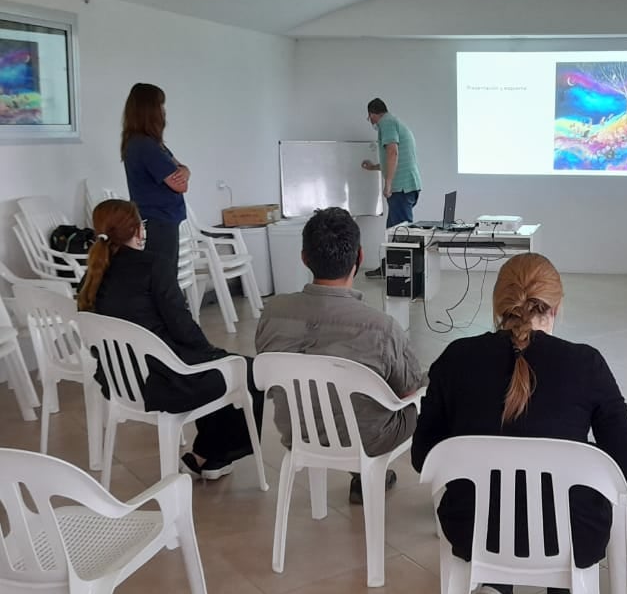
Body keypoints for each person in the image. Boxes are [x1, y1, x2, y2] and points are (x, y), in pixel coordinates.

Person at [411, 252, 627, 594]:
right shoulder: (587, 364)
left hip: (473, 530)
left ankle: (496, 580)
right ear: (557, 307)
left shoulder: (456, 359)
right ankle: (563, 587)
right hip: (572, 537)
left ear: (497, 304)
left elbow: (423, 458)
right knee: (568, 493)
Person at [78, 199, 261, 479]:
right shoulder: (153, 265)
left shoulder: (92, 273)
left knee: (216, 364)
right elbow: (181, 325)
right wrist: (212, 352)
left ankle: (204, 455)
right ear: (138, 230)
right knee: (245, 369)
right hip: (164, 383)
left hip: (120, 382)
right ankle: (217, 456)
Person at [254, 207, 426, 504]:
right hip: (367, 440)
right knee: (427, 392)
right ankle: (375, 477)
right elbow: (408, 389)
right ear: (359, 257)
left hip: (298, 432)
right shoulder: (381, 327)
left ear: (304, 258)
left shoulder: (272, 313)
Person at [120, 83, 189, 283]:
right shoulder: (145, 147)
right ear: (150, 110)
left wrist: (185, 171)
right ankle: (168, 314)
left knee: (161, 275)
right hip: (159, 220)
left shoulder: (149, 144)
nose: (164, 111)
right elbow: (180, 184)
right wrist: (183, 172)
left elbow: (182, 168)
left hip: (159, 219)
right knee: (163, 278)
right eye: (161, 105)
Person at [360, 97, 422, 277]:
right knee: (393, 231)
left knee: (401, 233)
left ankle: (406, 274)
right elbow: (394, 159)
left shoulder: (386, 123)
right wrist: (374, 167)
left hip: (401, 187)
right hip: (407, 185)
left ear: (372, 114)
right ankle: (389, 268)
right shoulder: (396, 122)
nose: (370, 121)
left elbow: (392, 152)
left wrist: (388, 184)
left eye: (369, 117)